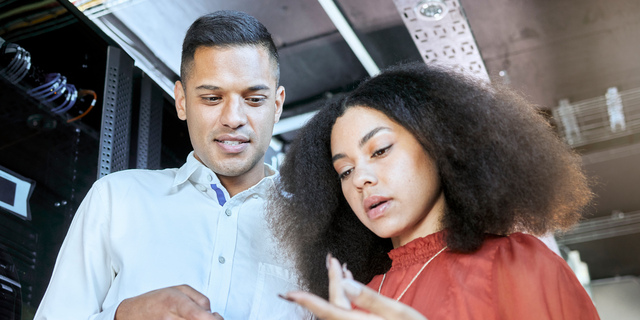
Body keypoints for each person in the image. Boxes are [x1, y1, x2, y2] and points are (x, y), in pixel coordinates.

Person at [270, 62, 600, 319]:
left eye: (380, 150)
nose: (360, 179)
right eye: (345, 171)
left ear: (439, 145)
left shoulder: (515, 265)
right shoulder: (352, 305)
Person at [35, 10, 307, 320]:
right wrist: (124, 315)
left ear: (277, 105)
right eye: (212, 98)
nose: (233, 118)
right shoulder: (117, 199)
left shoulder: (313, 232)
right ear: (181, 101)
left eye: (254, 99)